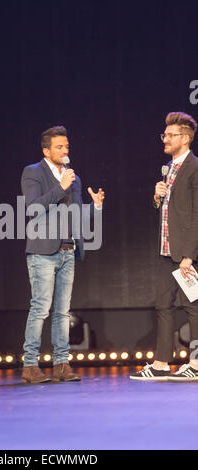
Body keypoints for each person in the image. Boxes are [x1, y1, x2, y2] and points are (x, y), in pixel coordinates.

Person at [21, 126, 105, 383]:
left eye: (67, 146)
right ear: (46, 150)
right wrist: (60, 187)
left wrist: (96, 207)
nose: (65, 150)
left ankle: (61, 364)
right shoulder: (33, 172)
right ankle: (30, 366)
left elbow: (77, 215)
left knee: (62, 312)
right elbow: (33, 208)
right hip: (43, 252)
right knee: (40, 308)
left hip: (68, 250)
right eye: (59, 146)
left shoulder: (74, 178)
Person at [130, 111, 198, 381]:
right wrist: (157, 198)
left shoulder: (194, 167)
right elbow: (168, 210)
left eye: (170, 135)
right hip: (166, 250)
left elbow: (196, 215)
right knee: (163, 305)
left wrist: (189, 256)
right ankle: (160, 364)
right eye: (164, 135)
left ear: (186, 137)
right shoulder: (169, 168)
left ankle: (196, 364)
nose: (165, 139)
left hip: (186, 253)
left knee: (193, 305)